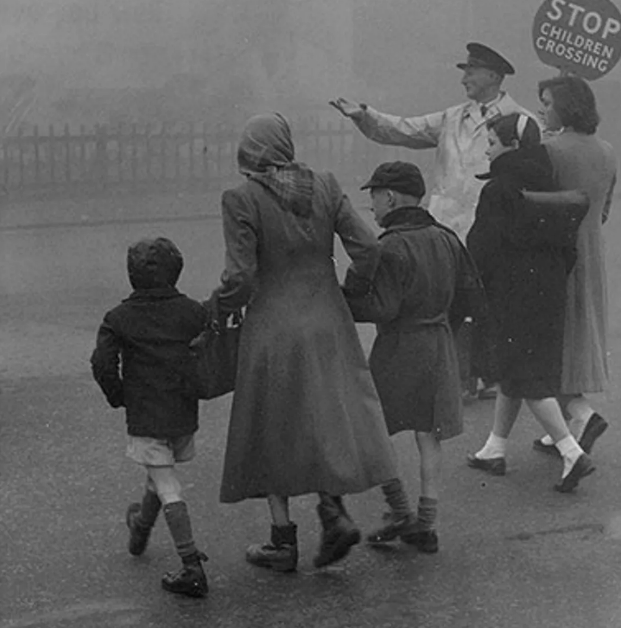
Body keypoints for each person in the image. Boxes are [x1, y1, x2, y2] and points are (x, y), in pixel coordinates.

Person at [214, 113, 397, 572]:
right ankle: (332, 512)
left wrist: (216, 308)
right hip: (328, 320)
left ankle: (282, 541)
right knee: (322, 417)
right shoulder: (326, 185)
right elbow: (370, 248)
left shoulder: (242, 198)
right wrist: (351, 291)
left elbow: (240, 276)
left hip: (272, 325)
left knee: (271, 426)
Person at [330, 42, 534, 401]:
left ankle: (486, 375)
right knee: (449, 301)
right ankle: (460, 378)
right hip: (447, 227)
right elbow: (404, 130)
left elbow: (538, 168)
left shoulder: (521, 119)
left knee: (486, 302)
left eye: (471, 71)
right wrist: (363, 115)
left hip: (491, 226)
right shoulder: (453, 117)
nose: (465, 78)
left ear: (493, 76)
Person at [343, 161, 485, 554]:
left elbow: (383, 308)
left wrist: (349, 294)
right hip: (439, 341)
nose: (371, 205)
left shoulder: (390, 245)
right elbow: (469, 294)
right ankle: (426, 521)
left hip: (399, 345)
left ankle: (399, 510)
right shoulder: (446, 237)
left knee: (374, 430)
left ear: (390, 197)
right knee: (428, 434)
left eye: (374, 195)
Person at [465, 113, 594, 493]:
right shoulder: (551, 183)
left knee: (523, 373)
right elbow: (567, 246)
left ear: (513, 145)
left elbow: (481, 248)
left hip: (509, 292)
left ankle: (572, 453)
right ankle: (494, 447)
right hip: (548, 289)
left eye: (492, 142)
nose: (488, 149)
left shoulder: (498, 189)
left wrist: (474, 288)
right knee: (519, 367)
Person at [90, 237, 210, 598]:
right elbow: (209, 343)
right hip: (183, 411)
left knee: (167, 483)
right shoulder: (192, 311)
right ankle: (140, 528)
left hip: (145, 411)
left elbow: (102, 364)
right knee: (159, 471)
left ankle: (191, 565)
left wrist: (119, 396)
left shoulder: (119, 318)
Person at [528, 75, 618, 458]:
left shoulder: (550, 151)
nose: (542, 110)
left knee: (549, 340)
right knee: (576, 338)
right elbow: (605, 210)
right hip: (591, 252)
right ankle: (569, 422)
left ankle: (579, 414)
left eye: (547, 103)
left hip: (556, 257)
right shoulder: (607, 151)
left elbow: (536, 209)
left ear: (565, 107)